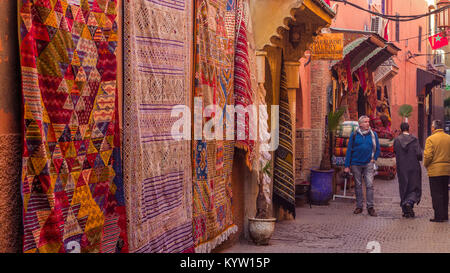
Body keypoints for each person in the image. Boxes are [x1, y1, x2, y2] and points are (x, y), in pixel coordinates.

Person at [344, 115, 381, 216]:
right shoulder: (354, 135)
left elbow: (378, 148)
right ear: (360, 124)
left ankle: (370, 207)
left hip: (368, 163)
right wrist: (347, 166)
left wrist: (374, 158)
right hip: (356, 163)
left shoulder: (374, 135)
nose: (367, 123)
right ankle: (359, 206)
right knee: (358, 185)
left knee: (369, 185)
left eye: (368, 121)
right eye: (365, 122)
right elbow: (349, 151)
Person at [393, 122, 422, 218]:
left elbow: (395, 152)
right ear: (409, 129)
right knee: (413, 186)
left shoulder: (397, 140)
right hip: (414, 166)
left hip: (402, 167)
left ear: (401, 129)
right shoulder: (414, 139)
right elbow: (419, 154)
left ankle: (405, 210)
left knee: (404, 186)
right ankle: (409, 203)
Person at [424, 120, 450, 222]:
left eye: (431, 126)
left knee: (436, 194)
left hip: (435, 171)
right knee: (444, 193)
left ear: (434, 128)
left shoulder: (430, 139)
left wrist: (426, 164)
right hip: (447, 170)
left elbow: (428, 156)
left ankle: (438, 216)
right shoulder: (448, 138)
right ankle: (444, 215)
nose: (431, 127)